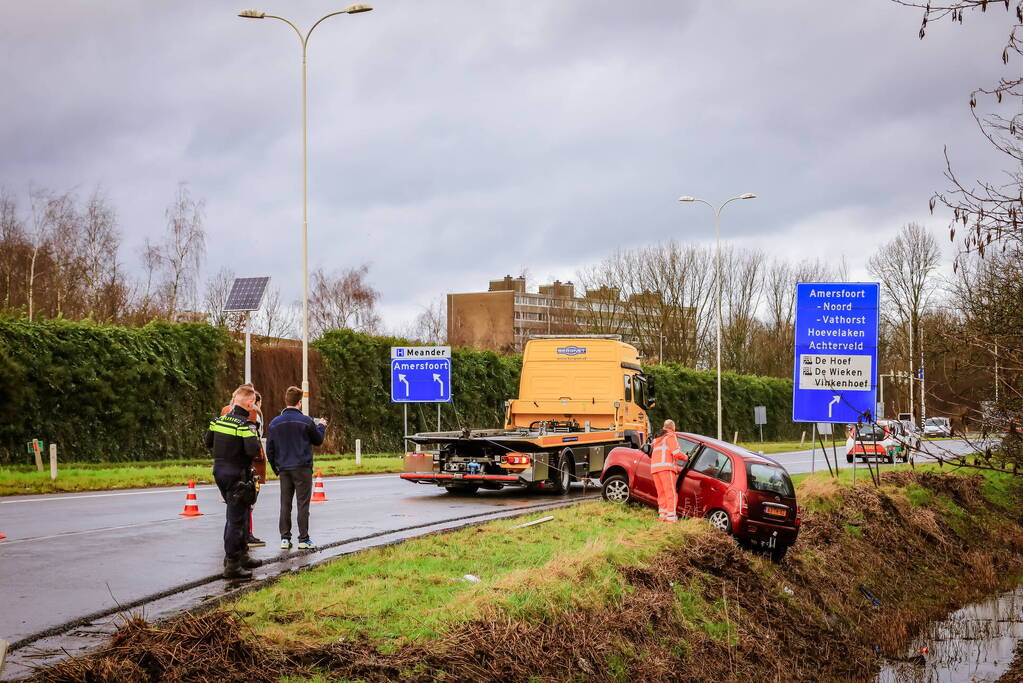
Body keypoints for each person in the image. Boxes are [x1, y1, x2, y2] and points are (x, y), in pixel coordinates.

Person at [205, 384, 262, 579]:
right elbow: (252, 451)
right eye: (253, 403)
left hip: (219, 470)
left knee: (241, 514)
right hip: (237, 474)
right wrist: (254, 434)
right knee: (236, 519)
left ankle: (242, 554)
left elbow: (208, 442)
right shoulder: (245, 425)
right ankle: (232, 564)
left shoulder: (218, 421)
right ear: (250, 403)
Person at [267, 385, 326, 551]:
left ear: (286, 401)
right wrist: (322, 426)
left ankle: (285, 539)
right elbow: (318, 440)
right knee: (302, 504)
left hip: (284, 468)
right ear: (299, 403)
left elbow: (270, 449)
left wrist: (276, 468)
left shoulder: (274, 423)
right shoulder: (306, 421)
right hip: (302, 467)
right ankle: (303, 539)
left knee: (285, 504)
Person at [220, 386, 266, 548]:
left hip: (222, 465)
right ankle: (241, 544)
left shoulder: (223, 414)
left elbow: (210, 441)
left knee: (232, 507)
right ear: (251, 402)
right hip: (243, 466)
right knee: (245, 504)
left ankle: (236, 543)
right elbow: (253, 444)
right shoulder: (252, 415)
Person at [650, 419, 687, 523]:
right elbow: (676, 453)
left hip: (655, 469)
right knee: (671, 494)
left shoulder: (657, 438)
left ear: (664, 427)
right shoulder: (670, 435)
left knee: (661, 494)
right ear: (673, 427)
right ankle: (671, 518)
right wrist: (686, 457)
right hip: (666, 468)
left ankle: (662, 516)